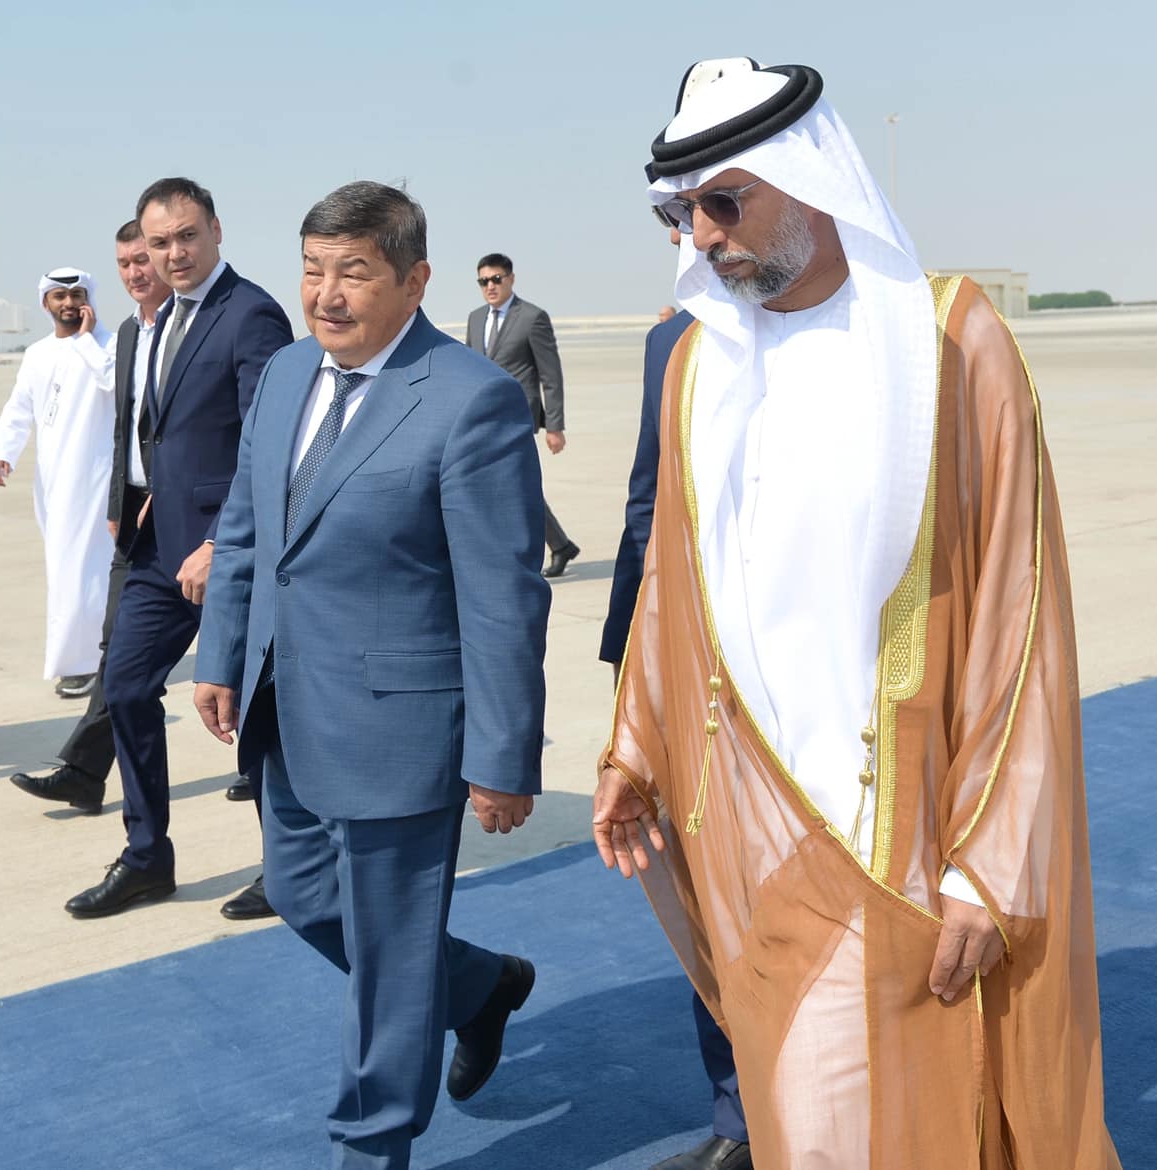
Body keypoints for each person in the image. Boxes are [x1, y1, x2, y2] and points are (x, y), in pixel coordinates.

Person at [594, 58, 1120, 1166]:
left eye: (723, 202)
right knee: (808, 1120)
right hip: (754, 824)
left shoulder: (947, 341)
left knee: (915, 1117)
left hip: (908, 830)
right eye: (678, 213)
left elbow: (1018, 616)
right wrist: (635, 746)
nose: (700, 236)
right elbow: (674, 584)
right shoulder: (696, 367)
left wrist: (989, 863)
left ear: (811, 178)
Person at [196, 180, 547, 1169]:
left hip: (404, 723)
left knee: (390, 959)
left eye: (352, 272)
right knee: (303, 894)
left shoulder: (470, 400)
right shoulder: (284, 374)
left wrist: (502, 756)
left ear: (414, 280)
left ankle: (369, 1145)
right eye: (312, 270)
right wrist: (222, 654)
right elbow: (245, 530)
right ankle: (478, 986)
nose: (326, 294)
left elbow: (502, 595)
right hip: (284, 705)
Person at [62, 177, 293, 921]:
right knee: (125, 687)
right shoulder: (149, 325)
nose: (175, 253)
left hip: (232, 552)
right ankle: (146, 857)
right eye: (159, 242)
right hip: (157, 548)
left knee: (255, 709)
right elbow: (148, 432)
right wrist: (128, 508)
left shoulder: (250, 315)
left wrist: (222, 538)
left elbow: (269, 444)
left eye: (187, 236)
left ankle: (287, 870)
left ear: (216, 231)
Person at [599, 296, 747, 1170]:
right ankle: (743, 1118)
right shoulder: (672, 342)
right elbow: (648, 500)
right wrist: (636, 661)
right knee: (708, 891)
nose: (700, 237)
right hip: (699, 678)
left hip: (838, 693)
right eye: (683, 227)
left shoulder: (882, 323)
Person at [11, 221, 171, 813]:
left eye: (146, 258)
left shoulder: (207, 322)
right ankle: (85, 772)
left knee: (244, 654)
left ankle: (266, 771)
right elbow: (124, 427)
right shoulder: (129, 333)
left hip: (201, 521)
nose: (137, 271)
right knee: (123, 655)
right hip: (134, 517)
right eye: (126, 262)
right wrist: (121, 502)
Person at [0, 266, 115, 698]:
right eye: (60, 296)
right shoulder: (37, 353)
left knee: (78, 570)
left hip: (94, 478)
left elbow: (114, 382)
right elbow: (19, 407)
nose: (69, 303)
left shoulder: (107, 345)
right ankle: (99, 652)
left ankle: (80, 663)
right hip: (52, 481)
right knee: (68, 570)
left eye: (77, 295)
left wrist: (87, 341)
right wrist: (4, 452)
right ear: (45, 303)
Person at [465, 255, 578, 576]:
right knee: (510, 486)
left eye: (496, 279)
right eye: (483, 281)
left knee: (512, 485)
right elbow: (468, 371)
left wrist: (554, 426)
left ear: (510, 279)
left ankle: (522, 553)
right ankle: (559, 544)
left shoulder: (532, 317)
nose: (490, 286)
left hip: (517, 420)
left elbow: (550, 375)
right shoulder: (475, 319)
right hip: (481, 420)